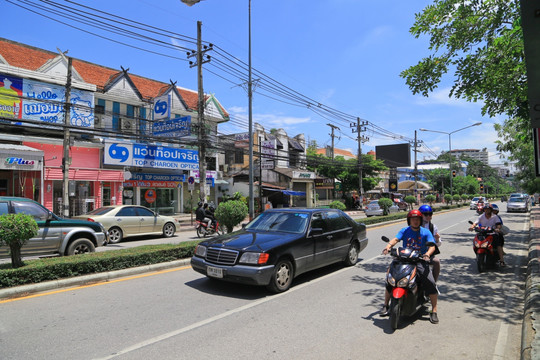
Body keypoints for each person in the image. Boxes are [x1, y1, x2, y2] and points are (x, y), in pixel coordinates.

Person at [380, 209, 440, 324]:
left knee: (430, 282)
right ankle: (386, 305)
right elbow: (396, 239)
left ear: (421, 220)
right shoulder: (404, 230)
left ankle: (434, 311)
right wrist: (388, 246)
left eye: (417, 219)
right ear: (409, 220)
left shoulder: (425, 232)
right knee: (390, 279)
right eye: (413, 219)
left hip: (419, 260)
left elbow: (432, 245)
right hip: (403, 259)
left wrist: (427, 254)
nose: (415, 221)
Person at [419, 205, 441, 282]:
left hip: (428, 253)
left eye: (430, 214)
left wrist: (437, 239)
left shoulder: (432, 227)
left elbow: (437, 244)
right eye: (425, 214)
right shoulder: (414, 225)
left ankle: (434, 283)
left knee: (436, 261)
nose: (428, 216)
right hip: (414, 253)